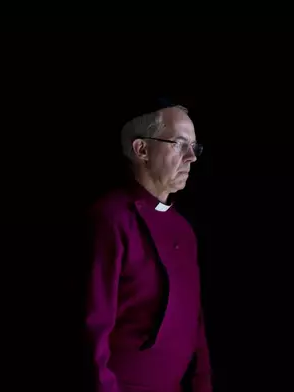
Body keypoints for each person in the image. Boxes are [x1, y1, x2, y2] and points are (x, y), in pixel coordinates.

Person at [85, 104, 211, 392]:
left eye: (194, 147)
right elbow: (92, 330)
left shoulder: (184, 230)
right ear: (142, 150)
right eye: (180, 144)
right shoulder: (110, 219)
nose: (191, 157)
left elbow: (196, 326)